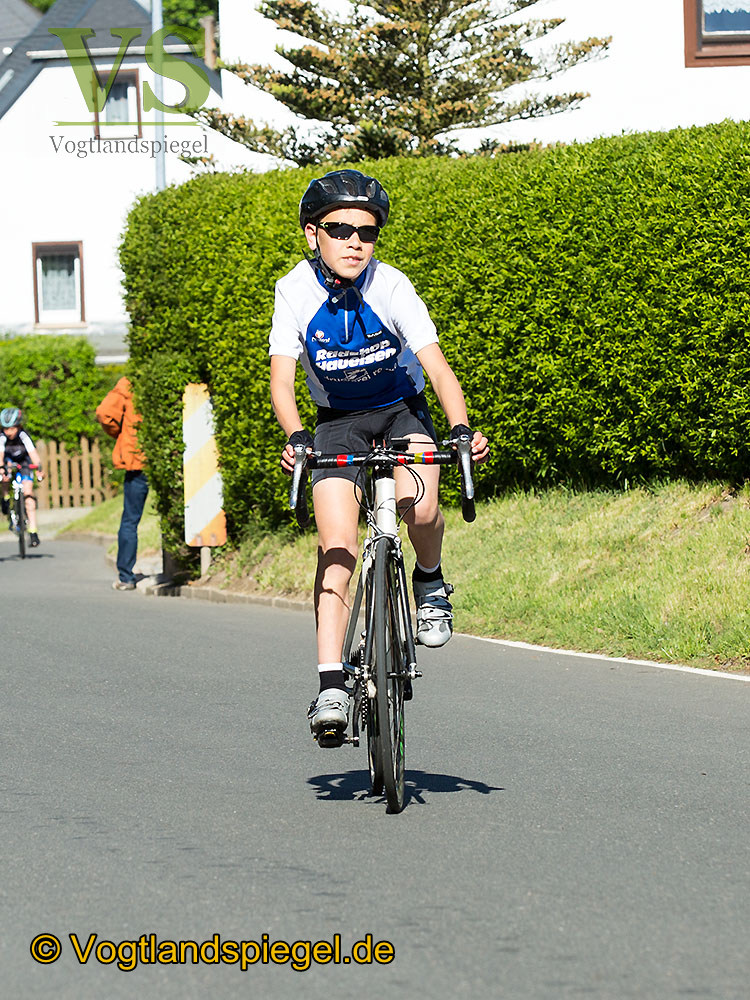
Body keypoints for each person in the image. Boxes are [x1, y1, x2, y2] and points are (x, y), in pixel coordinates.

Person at [269, 169, 489, 739]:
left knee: (420, 508)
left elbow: (437, 367)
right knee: (337, 545)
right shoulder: (294, 290)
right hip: (336, 421)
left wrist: (461, 430)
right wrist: (296, 436)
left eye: (366, 232)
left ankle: (431, 582)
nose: (354, 243)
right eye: (339, 230)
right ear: (312, 234)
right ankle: (330, 687)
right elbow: (281, 381)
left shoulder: (391, 284)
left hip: (399, 410)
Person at [96, 377, 149, 591]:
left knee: (130, 519)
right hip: (166, 455)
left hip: (136, 458)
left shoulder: (130, 382)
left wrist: (120, 434)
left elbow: (104, 412)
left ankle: (126, 577)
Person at [0, 407, 44, 547]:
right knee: (4, 475)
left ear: (18, 426)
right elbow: (0, 455)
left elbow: (33, 455)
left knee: (28, 494)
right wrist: (2, 469)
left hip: (24, 462)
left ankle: (33, 532)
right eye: (6, 429)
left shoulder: (24, 436)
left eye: (12, 429)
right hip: (7, 461)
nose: (9, 432)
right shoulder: (2, 437)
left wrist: (39, 469)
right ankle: (5, 497)